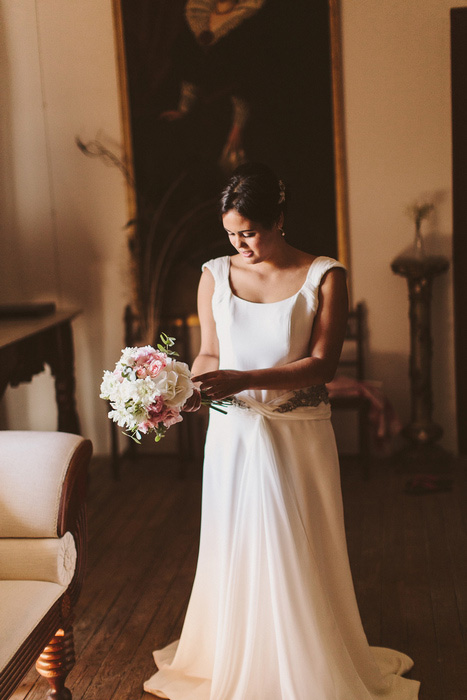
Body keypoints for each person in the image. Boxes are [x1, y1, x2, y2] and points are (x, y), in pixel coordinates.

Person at [143, 163, 420, 699]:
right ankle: (232, 651)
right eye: (231, 234)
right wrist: (187, 387)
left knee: (302, 542)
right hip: (233, 431)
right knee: (235, 541)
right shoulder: (214, 274)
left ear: (279, 219)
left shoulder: (325, 275)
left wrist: (245, 377)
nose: (240, 245)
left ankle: (311, 661)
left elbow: (322, 365)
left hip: (298, 430)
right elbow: (209, 351)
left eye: (249, 232)